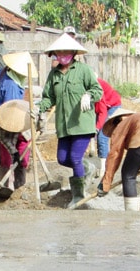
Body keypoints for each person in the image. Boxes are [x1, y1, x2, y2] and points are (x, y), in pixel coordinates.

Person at [36, 33, 103, 208]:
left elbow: (98, 90)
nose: (63, 54)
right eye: (59, 52)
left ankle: (78, 196)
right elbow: (48, 97)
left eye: (66, 51)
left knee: (74, 157)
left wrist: (89, 95)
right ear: (55, 54)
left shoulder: (84, 70)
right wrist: (39, 108)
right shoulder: (54, 74)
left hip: (81, 123)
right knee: (62, 158)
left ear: (73, 52)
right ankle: (87, 168)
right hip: (64, 125)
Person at [0, 51, 38, 198]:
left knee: (1, 154)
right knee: (11, 153)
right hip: (5, 122)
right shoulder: (12, 86)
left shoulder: (1, 73)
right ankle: (13, 187)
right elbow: (13, 112)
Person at [94, 76, 122, 177]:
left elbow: (102, 112)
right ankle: (98, 162)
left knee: (102, 135)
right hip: (101, 106)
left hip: (112, 105)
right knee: (95, 134)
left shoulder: (96, 88)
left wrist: (97, 128)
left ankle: (104, 169)